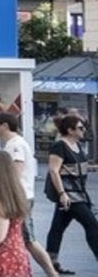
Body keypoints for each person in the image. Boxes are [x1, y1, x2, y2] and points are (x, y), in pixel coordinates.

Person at [0, 112, 59, 277]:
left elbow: (16, 170)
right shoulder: (13, 143)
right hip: (19, 195)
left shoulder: (15, 145)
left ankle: (51, 272)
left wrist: (5, 190)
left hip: (19, 196)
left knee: (28, 238)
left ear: (4, 126)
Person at [44, 114, 98, 273]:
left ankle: (51, 262)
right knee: (92, 224)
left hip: (78, 193)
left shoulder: (77, 145)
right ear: (70, 130)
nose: (84, 130)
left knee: (57, 227)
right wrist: (62, 193)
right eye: (80, 128)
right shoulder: (60, 146)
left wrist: (93, 168)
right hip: (70, 195)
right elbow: (54, 171)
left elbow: (76, 168)